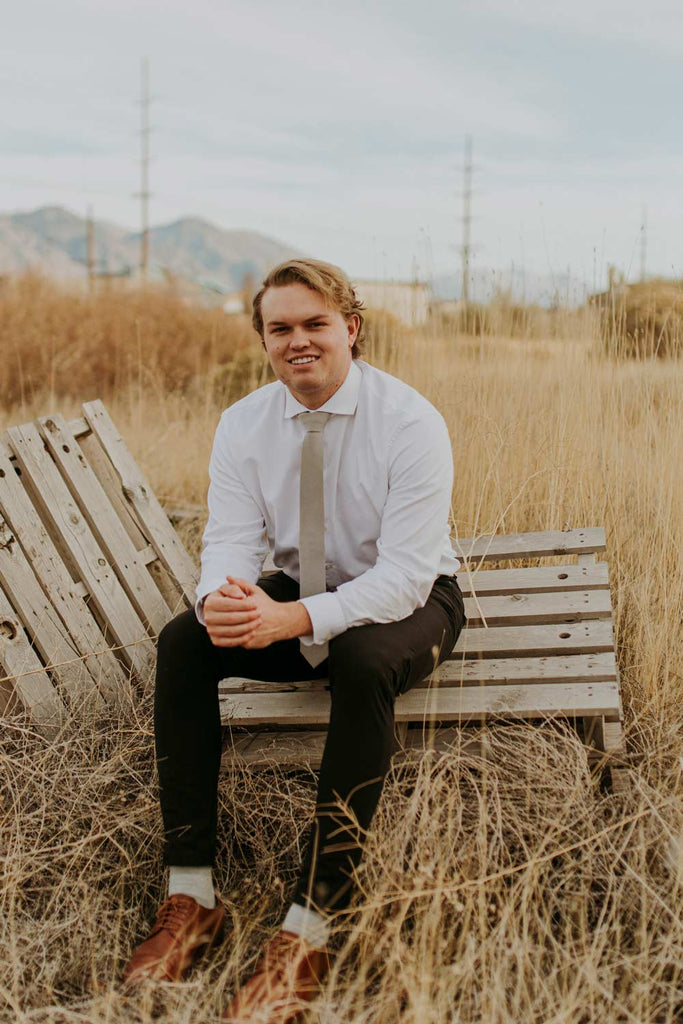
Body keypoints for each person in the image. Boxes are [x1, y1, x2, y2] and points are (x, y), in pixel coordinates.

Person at [121, 258, 467, 1022]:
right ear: (263, 340)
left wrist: (297, 619)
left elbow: (404, 577)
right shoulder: (242, 423)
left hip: (408, 599)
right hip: (300, 585)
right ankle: (191, 896)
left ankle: (311, 925)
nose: (298, 340)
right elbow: (230, 539)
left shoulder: (410, 422)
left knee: (361, 659)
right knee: (183, 643)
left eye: (315, 323)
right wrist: (222, 600)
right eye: (280, 328)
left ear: (351, 328)